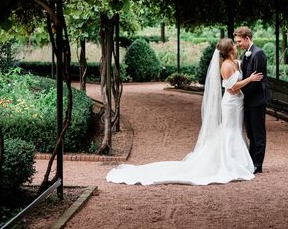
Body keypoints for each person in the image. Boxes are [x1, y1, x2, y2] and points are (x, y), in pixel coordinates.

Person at [106, 38, 263, 185]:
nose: (236, 46)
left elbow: (243, 65)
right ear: (229, 50)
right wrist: (250, 79)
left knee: (235, 129)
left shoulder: (233, 62)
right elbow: (232, 87)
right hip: (231, 104)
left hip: (237, 103)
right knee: (229, 129)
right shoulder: (226, 66)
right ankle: (229, 161)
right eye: (234, 45)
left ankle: (237, 160)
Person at [233, 26, 270, 173]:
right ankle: (251, 160)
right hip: (248, 100)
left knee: (258, 132)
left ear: (247, 38)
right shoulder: (246, 54)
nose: (238, 44)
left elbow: (257, 80)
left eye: (239, 41)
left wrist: (241, 92)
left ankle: (258, 164)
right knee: (250, 132)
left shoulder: (258, 53)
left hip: (257, 99)